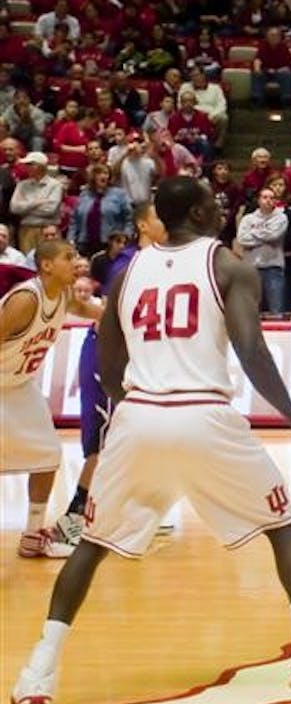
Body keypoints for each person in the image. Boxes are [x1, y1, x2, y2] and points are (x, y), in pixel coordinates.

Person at [10, 178, 291, 704]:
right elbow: (252, 351)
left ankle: (37, 674)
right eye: (211, 201)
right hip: (205, 414)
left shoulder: (126, 273)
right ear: (194, 211)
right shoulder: (228, 266)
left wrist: (138, 406)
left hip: (140, 416)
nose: (219, 205)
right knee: (284, 526)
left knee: (91, 545)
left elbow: (110, 363)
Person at [55, 203, 167, 547]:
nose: (167, 222)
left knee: (135, 437)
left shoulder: (164, 261)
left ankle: (130, 512)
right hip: (110, 354)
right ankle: (71, 518)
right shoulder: (128, 263)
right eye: (159, 217)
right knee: (101, 443)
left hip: (137, 357)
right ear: (143, 226)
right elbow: (112, 317)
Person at [1, 241, 101, 560]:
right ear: (46, 265)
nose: (77, 262)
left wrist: (127, 317)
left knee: (48, 453)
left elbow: (93, 312)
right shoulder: (26, 300)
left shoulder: (65, 296)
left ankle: (32, 534)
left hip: (19, 385)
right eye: (68, 257)